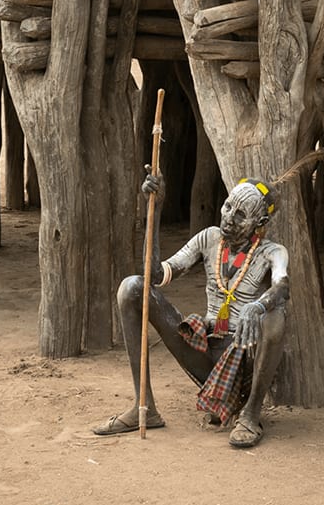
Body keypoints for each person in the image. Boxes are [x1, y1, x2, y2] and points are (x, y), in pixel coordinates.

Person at [92, 172, 290, 448]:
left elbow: (282, 287)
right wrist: (155, 211)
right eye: (228, 206)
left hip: (244, 361)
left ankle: (251, 414)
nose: (229, 218)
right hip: (206, 354)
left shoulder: (272, 252)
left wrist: (257, 306)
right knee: (132, 287)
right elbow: (156, 275)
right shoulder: (209, 239)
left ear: (261, 222)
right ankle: (144, 406)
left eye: (241, 214)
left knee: (275, 314)